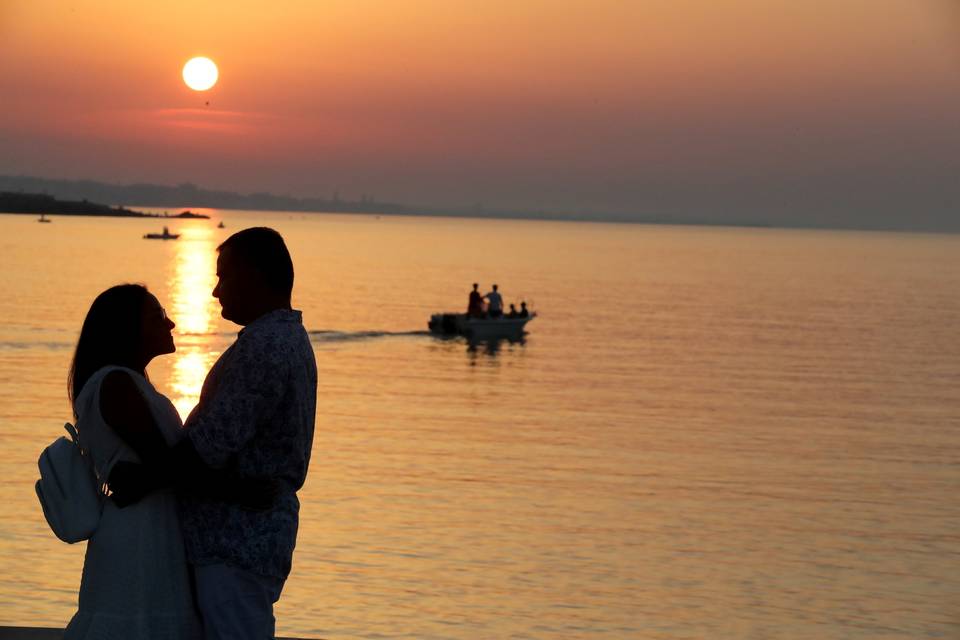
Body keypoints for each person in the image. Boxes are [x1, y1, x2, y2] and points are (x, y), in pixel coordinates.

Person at [110, 227, 318, 640]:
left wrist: (141, 480)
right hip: (242, 541)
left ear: (254, 276)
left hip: (235, 543)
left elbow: (205, 451)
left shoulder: (263, 348)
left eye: (224, 277)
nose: (215, 292)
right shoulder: (286, 338)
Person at [63, 284, 204, 638]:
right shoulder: (116, 383)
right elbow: (168, 463)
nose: (170, 323)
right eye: (158, 316)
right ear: (129, 326)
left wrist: (143, 477)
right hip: (138, 531)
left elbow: (158, 467)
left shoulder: (131, 383)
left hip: (149, 524)